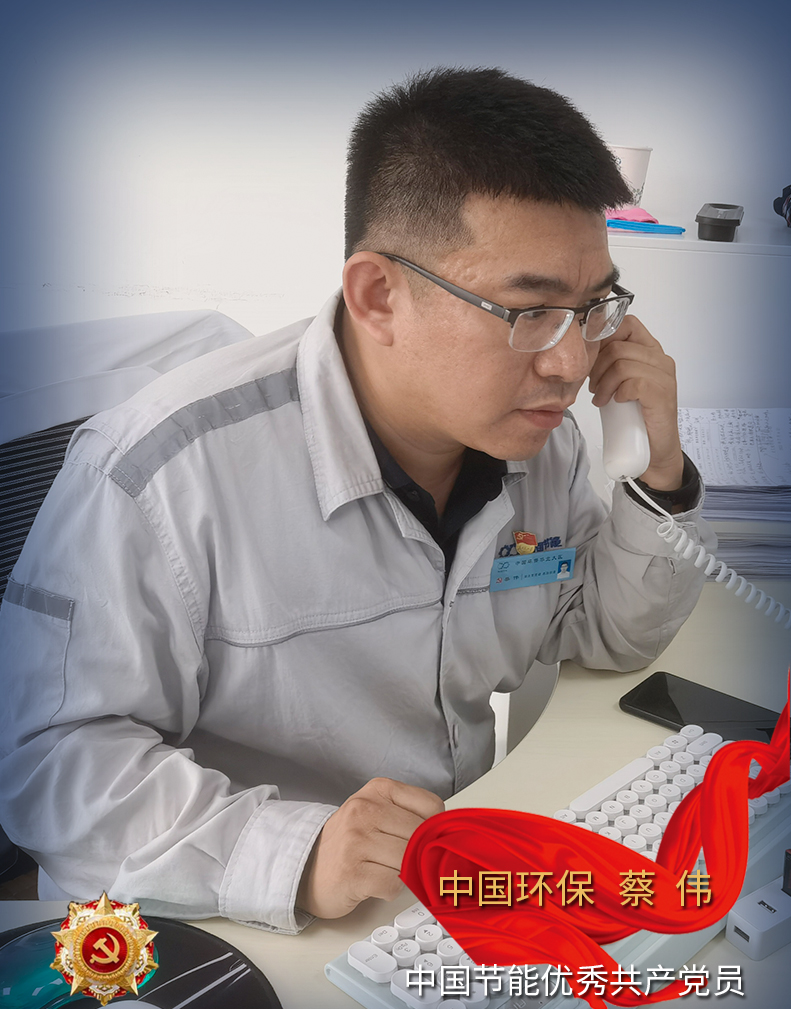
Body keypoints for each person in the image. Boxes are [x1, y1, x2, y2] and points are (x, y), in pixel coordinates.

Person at [0, 67, 713, 933]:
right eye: (531, 311)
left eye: (593, 306)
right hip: (223, 921)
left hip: (435, 895)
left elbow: (607, 634)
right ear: (378, 296)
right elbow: (48, 765)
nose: (571, 363)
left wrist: (657, 469)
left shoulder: (537, 440)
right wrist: (293, 854)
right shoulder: (158, 474)